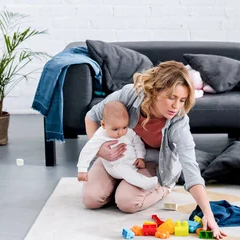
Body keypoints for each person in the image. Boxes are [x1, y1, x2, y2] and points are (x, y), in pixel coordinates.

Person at [82, 61, 226, 239]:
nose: (176, 106)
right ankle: (118, 184)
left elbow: (191, 169)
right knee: (91, 199)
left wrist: (208, 214)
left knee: (127, 202)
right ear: (155, 91)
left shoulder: (178, 122)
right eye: (171, 97)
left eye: (182, 100)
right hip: (116, 157)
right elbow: (92, 116)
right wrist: (99, 150)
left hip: (150, 161)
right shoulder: (130, 95)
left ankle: (164, 188)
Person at [77, 101, 158, 190]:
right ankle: (146, 183)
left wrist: (140, 157)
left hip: (133, 157)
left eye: (124, 127)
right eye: (115, 129)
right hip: (117, 166)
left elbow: (137, 142)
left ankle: (169, 170)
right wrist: (82, 169)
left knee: (154, 154)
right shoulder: (99, 136)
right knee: (127, 172)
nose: (121, 132)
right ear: (103, 125)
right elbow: (87, 151)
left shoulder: (128, 131)